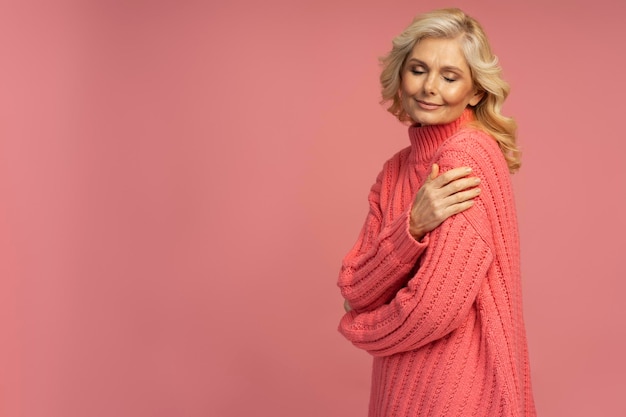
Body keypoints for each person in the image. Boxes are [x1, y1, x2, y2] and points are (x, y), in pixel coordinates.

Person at [337, 8, 536, 417]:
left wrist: (357, 326)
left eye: (449, 77)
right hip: (400, 394)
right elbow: (355, 284)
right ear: (400, 75)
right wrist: (411, 226)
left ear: (476, 91)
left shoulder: (466, 157)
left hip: (457, 397)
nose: (429, 88)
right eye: (418, 69)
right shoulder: (396, 169)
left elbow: (431, 311)